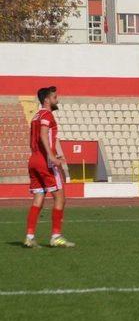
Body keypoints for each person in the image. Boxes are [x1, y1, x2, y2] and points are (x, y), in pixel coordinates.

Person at [24, 86, 75, 248]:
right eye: (54, 97)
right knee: (60, 197)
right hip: (45, 162)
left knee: (39, 197)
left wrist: (56, 153)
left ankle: (30, 236)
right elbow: (43, 134)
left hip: (34, 160)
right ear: (47, 99)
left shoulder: (35, 116)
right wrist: (51, 156)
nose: (57, 100)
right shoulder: (46, 114)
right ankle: (56, 236)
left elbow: (39, 136)